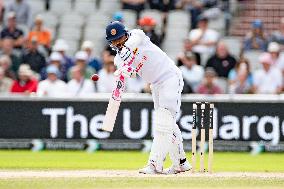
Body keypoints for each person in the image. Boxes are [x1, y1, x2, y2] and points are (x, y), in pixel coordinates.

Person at [105, 21, 191, 174]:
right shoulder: (118, 60)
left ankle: (155, 164)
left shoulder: (137, 35)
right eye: (114, 41)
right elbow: (131, 72)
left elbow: (133, 43)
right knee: (167, 123)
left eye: (120, 38)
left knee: (163, 121)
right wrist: (124, 72)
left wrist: (127, 51)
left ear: (125, 34)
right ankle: (181, 162)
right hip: (155, 85)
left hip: (170, 77)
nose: (118, 43)